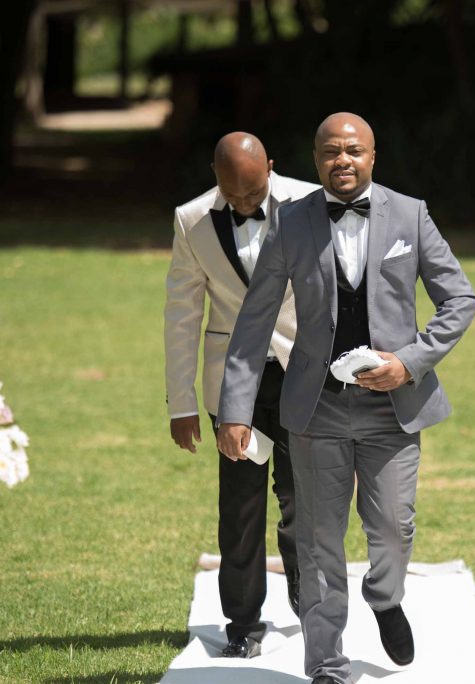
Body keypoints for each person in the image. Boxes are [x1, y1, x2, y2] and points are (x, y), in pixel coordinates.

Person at [215, 113, 475, 684]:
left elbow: (459, 298)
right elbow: (254, 322)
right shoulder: (292, 223)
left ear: (372, 156)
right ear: (316, 159)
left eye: (354, 151)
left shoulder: (411, 214)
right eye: (332, 151)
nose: (343, 160)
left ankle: (385, 596)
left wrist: (408, 361)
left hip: (394, 410)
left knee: (392, 529)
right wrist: (235, 410)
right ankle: (327, 664)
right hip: (318, 410)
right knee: (317, 540)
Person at [164, 132, 318, 658]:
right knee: (241, 504)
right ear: (214, 175)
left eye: (254, 195)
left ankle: (309, 597)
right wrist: (181, 401)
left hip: (302, 373)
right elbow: (182, 313)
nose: (245, 204)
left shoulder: (309, 201)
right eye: (234, 197)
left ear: (271, 167)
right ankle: (243, 624)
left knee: (303, 499)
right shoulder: (191, 219)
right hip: (233, 379)